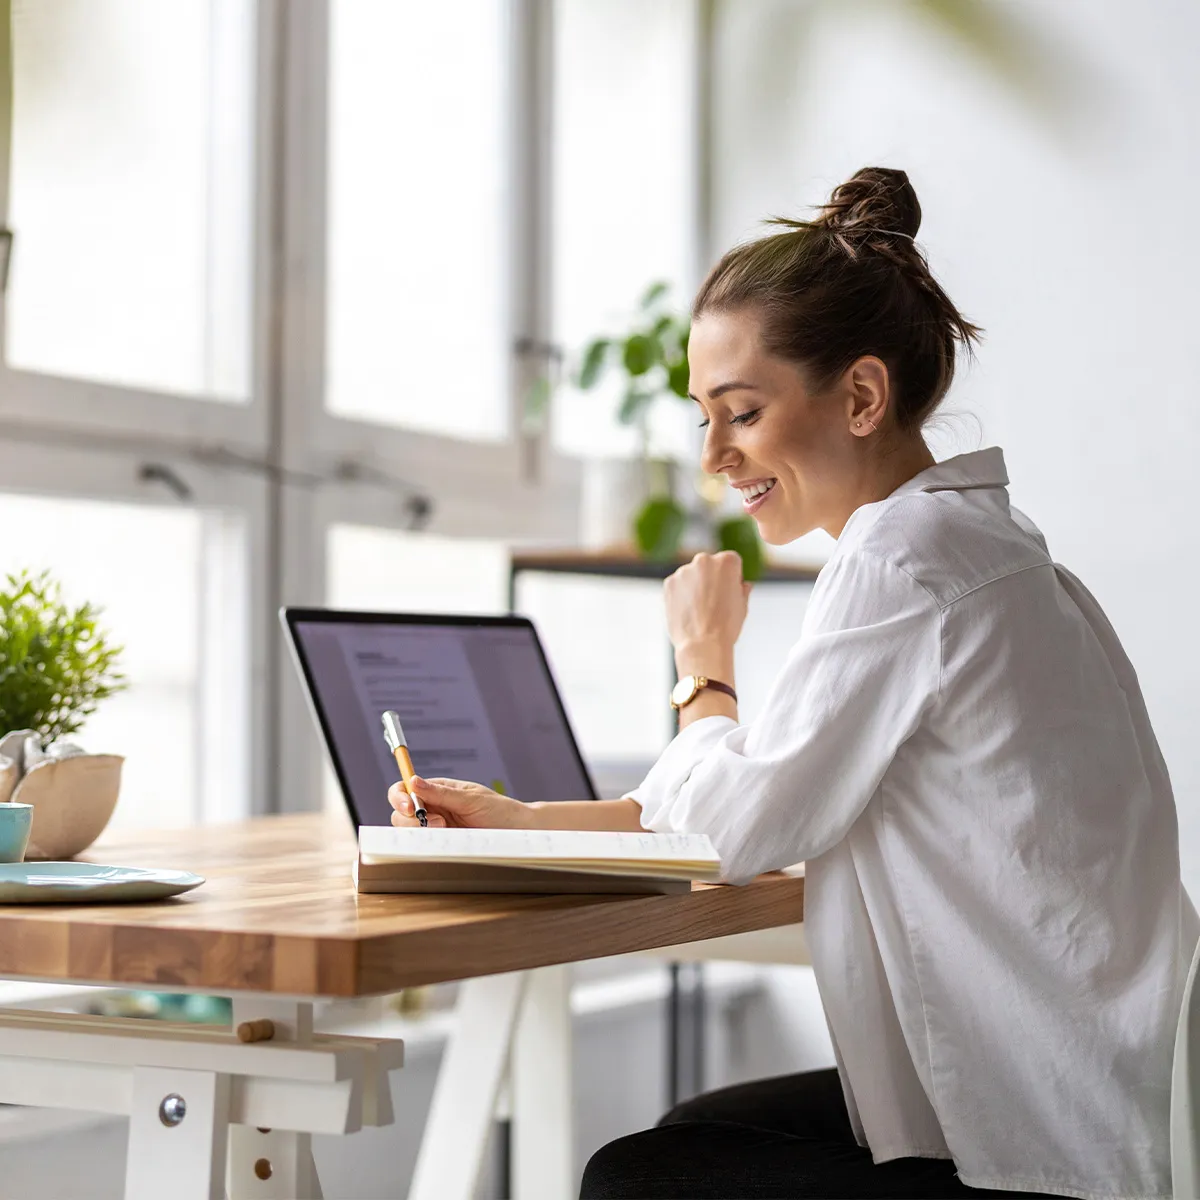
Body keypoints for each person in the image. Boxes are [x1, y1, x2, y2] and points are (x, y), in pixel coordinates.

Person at [389, 167, 1197, 1199]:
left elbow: (735, 831)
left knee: (640, 1178)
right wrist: (518, 819)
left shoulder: (901, 563)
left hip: (1051, 1144)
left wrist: (702, 667)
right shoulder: (980, 544)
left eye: (743, 413)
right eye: (703, 419)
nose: (716, 457)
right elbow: (765, 794)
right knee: (694, 1134)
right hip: (1111, 1094)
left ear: (861, 395)